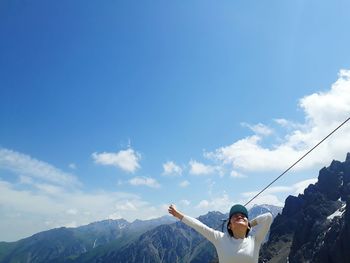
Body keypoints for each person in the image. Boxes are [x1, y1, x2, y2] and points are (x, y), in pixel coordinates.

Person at [168, 204, 272, 263]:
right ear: (229, 225)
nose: (239, 216)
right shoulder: (220, 238)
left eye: (243, 216)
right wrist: (178, 214)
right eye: (235, 216)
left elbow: (268, 217)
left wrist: (249, 224)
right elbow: (198, 226)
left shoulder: (255, 241)